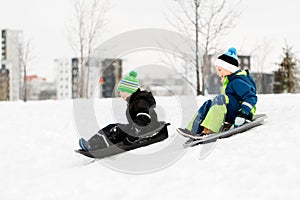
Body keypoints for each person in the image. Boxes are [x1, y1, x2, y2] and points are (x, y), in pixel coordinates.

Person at [177, 47, 257, 137]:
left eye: (220, 70)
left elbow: (251, 97)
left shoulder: (237, 82)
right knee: (208, 103)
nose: (218, 73)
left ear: (229, 69)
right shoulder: (229, 80)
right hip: (232, 110)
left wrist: (243, 113)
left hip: (242, 113)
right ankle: (193, 130)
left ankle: (211, 129)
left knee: (220, 99)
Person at [79, 70, 166, 151]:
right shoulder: (134, 101)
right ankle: (91, 143)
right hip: (138, 128)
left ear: (130, 91)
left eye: (122, 91)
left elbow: (143, 119)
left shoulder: (140, 102)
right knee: (112, 127)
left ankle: (96, 146)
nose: (120, 94)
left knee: (118, 131)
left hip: (147, 129)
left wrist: (132, 136)